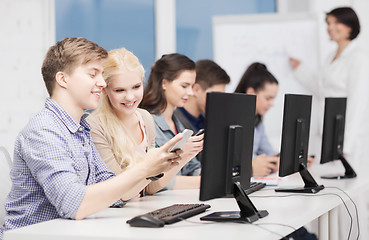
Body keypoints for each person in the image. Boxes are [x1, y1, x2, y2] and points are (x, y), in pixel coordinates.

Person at [0, 37, 185, 238]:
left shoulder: (80, 128)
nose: (102, 83)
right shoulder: (44, 131)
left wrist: (153, 169)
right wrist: (144, 168)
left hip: (69, 232)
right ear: (63, 80)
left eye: (102, 75)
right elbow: (75, 205)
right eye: (93, 74)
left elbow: (116, 195)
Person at [87, 48, 202, 194]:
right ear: (104, 90)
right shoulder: (95, 126)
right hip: (113, 213)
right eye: (119, 90)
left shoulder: (145, 118)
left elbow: (151, 187)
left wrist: (183, 156)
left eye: (136, 87)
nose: (130, 97)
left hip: (141, 208)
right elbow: (119, 193)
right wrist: (152, 165)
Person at [289, 7, 369, 164]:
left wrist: (346, 145)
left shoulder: (358, 58)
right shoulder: (330, 57)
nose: (330, 27)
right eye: (328, 23)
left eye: (336, 22)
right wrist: (300, 68)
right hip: (327, 132)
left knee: (347, 185)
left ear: (350, 26)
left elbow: (358, 102)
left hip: (347, 140)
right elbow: (322, 89)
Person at [234, 62, 315, 177]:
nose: (271, 104)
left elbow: (268, 153)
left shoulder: (257, 121)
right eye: (268, 98)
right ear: (251, 93)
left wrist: (291, 159)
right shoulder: (233, 122)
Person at [140, 53, 204, 188]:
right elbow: (156, 182)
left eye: (192, 86)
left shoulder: (178, 123)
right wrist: (205, 182)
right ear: (164, 83)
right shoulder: (146, 121)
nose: (191, 93)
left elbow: (193, 168)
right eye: (184, 86)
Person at [174, 59, 230, 133]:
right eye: (216, 95)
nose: (219, 102)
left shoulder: (209, 123)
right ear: (196, 89)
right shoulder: (174, 123)